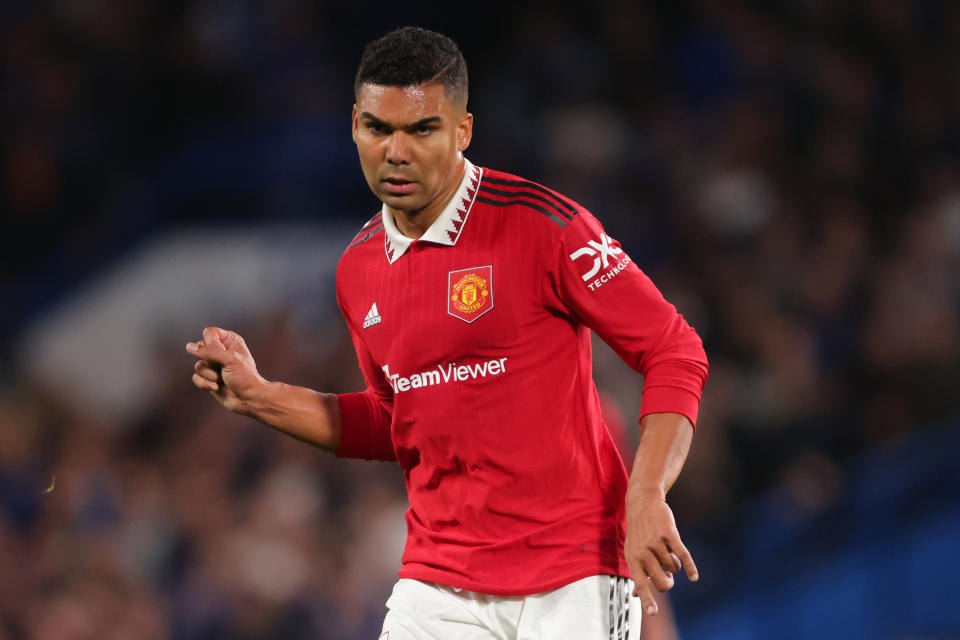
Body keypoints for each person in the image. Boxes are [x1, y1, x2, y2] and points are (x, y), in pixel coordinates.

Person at [186, 26, 708, 640]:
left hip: (576, 572)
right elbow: (397, 420)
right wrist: (261, 397)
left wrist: (647, 495)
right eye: (378, 128)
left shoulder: (544, 226)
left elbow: (674, 349)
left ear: (462, 131)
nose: (396, 151)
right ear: (355, 124)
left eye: (422, 129)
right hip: (438, 581)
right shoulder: (357, 271)